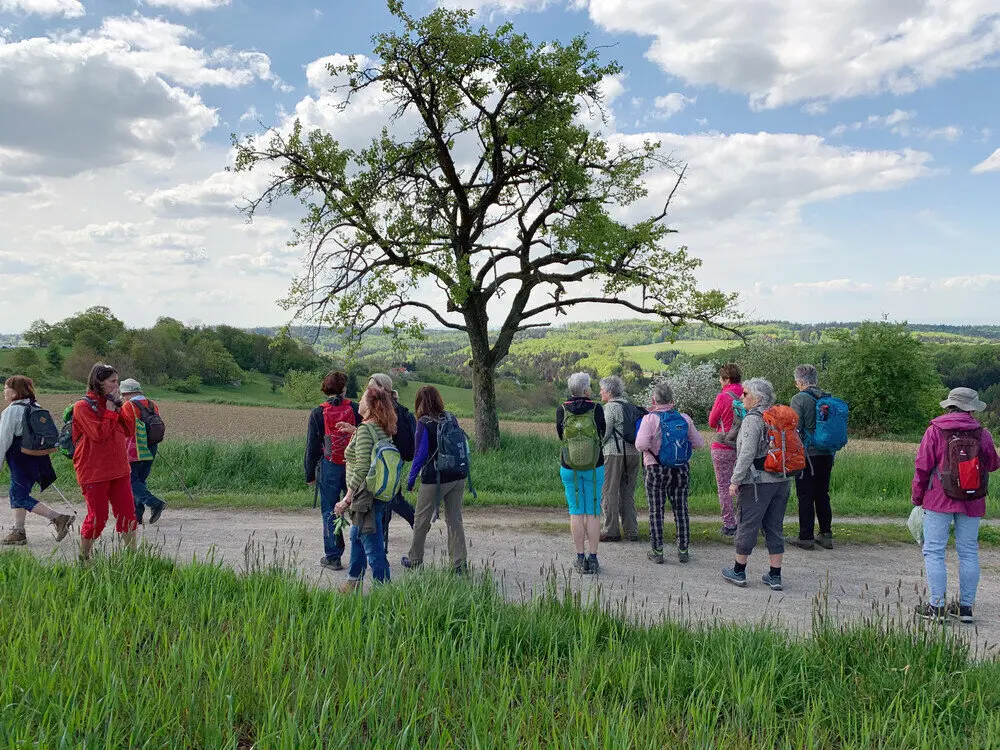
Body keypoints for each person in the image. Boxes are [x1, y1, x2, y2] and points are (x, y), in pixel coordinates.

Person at [912, 388, 1000, 623]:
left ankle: (937, 608)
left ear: (950, 406)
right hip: (973, 500)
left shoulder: (935, 430)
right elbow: (993, 464)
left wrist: (918, 497)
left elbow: (922, 467)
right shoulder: (982, 433)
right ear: (972, 408)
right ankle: (965, 608)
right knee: (969, 551)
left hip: (939, 498)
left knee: (934, 551)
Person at [722, 378, 792, 591]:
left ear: (758, 398)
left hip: (757, 482)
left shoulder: (753, 419)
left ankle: (739, 570)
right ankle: (775, 575)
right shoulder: (780, 416)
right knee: (774, 525)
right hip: (783, 479)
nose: (741, 397)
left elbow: (747, 453)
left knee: (747, 523)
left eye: (745, 394)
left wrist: (735, 480)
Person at [334, 388, 397, 592]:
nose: (358, 402)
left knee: (372, 543)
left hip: (364, 494)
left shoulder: (365, 430)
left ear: (369, 406)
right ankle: (353, 580)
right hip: (379, 492)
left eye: (361, 399)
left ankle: (384, 589)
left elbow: (361, 466)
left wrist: (347, 499)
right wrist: (354, 431)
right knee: (357, 534)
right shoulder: (381, 427)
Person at [72, 363, 138, 561]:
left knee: (127, 514)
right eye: (113, 382)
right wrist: (109, 411)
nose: (117, 386)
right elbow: (99, 435)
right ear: (99, 382)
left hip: (119, 469)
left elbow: (129, 430)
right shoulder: (82, 407)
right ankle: (84, 558)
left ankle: (132, 559)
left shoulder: (115, 405)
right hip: (93, 471)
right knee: (98, 518)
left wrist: (122, 407)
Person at [635, 382, 705, 564]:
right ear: (672, 400)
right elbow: (698, 443)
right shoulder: (684, 418)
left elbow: (640, 445)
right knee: (681, 508)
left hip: (655, 468)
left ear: (653, 400)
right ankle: (683, 549)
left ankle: (657, 551)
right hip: (681, 469)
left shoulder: (649, 420)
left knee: (655, 510)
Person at [401, 385, 468, 572]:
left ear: (419, 402)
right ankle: (459, 564)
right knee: (455, 519)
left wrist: (411, 479)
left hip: (435, 478)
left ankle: (415, 560)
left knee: (421, 520)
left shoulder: (423, 422)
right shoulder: (450, 417)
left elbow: (420, 454)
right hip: (458, 475)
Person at [0, 376, 73, 545]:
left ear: (15, 391)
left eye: (6, 388)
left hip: (19, 458)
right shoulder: (35, 406)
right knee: (19, 493)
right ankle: (18, 532)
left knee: (18, 496)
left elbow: (3, 439)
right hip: (37, 458)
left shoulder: (11, 411)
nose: (4, 391)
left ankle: (58, 518)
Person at [304, 371, 361, 571]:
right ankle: (359, 553)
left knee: (329, 510)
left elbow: (311, 447)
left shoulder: (318, 413)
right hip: (354, 465)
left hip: (329, 466)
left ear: (325, 389)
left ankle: (333, 557)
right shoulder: (356, 409)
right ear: (344, 388)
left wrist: (309, 474)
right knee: (356, 507)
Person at [556, 372, 606, 574]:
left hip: (569, 466)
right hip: (595, 465)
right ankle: (593, 559)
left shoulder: (561, 410)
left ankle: (579, 557)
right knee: (593, 511)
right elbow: (602, 433)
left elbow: (561, 435)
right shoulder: (596, 409)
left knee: (576, 512)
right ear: (586, 390)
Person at [367, 373, 416, 552]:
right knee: (392, 496)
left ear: (383, 388)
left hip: (385, 459)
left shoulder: (385, 407)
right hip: (396, 458)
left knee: (388, 497)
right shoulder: (396, 406)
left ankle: (383, 538)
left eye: (372, 386)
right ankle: (415, 522)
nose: (368, 390)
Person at [789, 364, 836, 550]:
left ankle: (806, 537)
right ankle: (826, 534)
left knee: (805, 495)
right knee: (822, 494)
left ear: (800, 381)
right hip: (827, 453)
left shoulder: (799, 398)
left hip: (807, 454)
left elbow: (794, 426)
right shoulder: (827, 398)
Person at [598, 375, 641, 542]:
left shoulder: (609, 408)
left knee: (609, 491)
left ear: (609, 391)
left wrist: (598, 446)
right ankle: (632, 530)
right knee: (627, 493)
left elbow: (606, 432)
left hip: (614, 454)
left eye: (602, 389)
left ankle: (611, 530)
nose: (600, 391)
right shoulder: (630, 406)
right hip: (633, 454)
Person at [119, 379, 166, 526]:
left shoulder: (129, 406)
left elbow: (128, 428)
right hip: (152, 447)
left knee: (130, 480)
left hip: (136, 448)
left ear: (127, 393)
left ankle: (154, 503)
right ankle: (137, 515)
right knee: (140, 480)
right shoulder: (152, 404)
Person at [708, 363, 744, 536]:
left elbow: (712, 422)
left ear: (727, 379)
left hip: (723, 445)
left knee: (724, 486)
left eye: (721, 379)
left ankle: (729, 524)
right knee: (743, 485)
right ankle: (745, 520)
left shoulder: (723, 396)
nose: (720, 382)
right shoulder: (747, 393)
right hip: (743, 446)